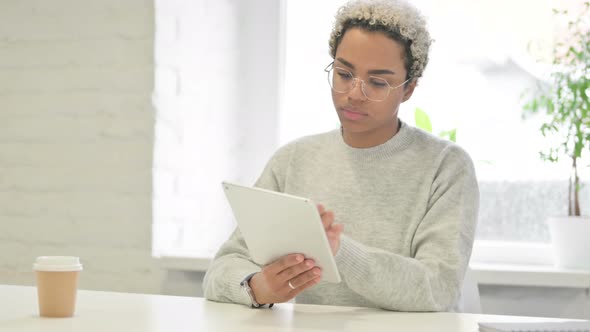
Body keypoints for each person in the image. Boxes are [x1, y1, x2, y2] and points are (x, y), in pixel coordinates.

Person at [203, 0, 479, 312]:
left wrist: (337, 251)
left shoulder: (445, 166)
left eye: (377, 82)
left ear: (408, 89)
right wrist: (257, 287)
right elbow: (222, 269)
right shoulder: (293, 160)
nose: (354, 93)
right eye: (344, 73)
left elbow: (438, 288)